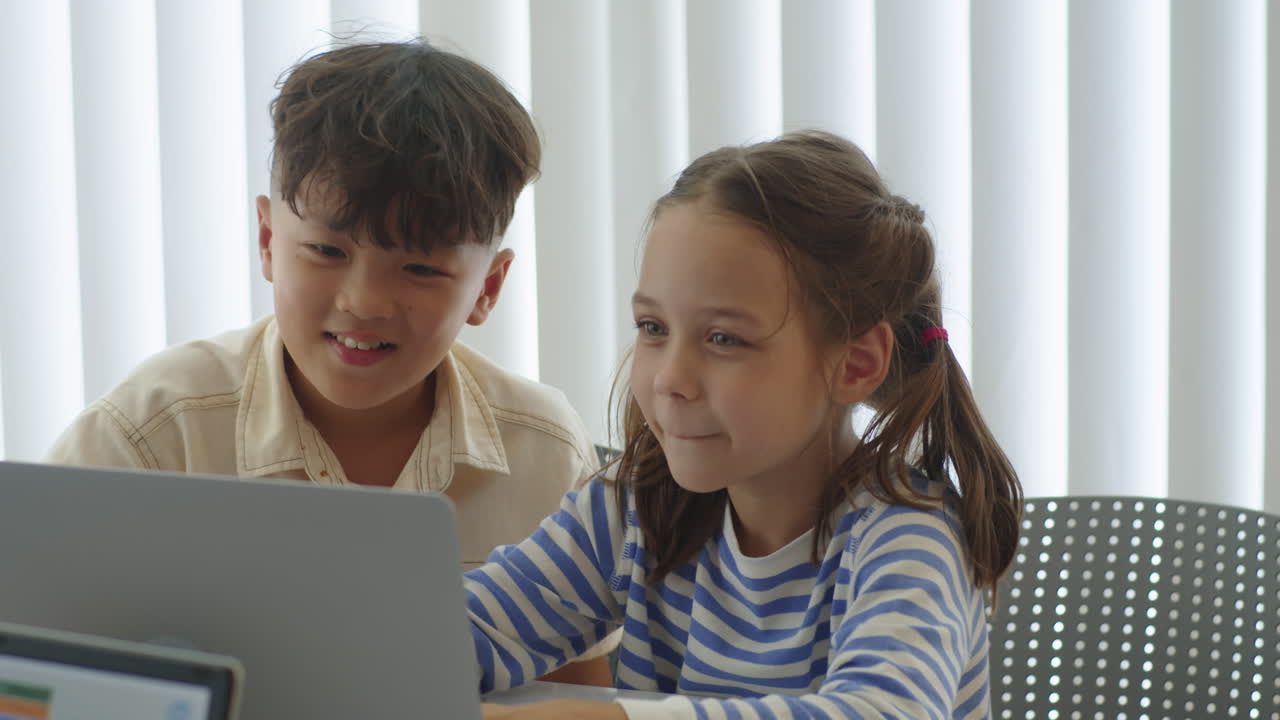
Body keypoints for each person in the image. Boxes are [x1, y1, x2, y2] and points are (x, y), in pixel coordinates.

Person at [45, 40, 611, 686]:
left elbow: (580, 697)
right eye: (324, 250)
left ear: (488, 288)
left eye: (421, 267)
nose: (364, 302)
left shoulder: (544, 451)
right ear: (267, 241)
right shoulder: (153, 434)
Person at [468, 130, 1024, 719]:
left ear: (855, 365)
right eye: (653, 327)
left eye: (723, 339)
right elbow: (460, 636)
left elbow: (881, 712)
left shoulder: (909, 535)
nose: (670, 379)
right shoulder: (631, 508)